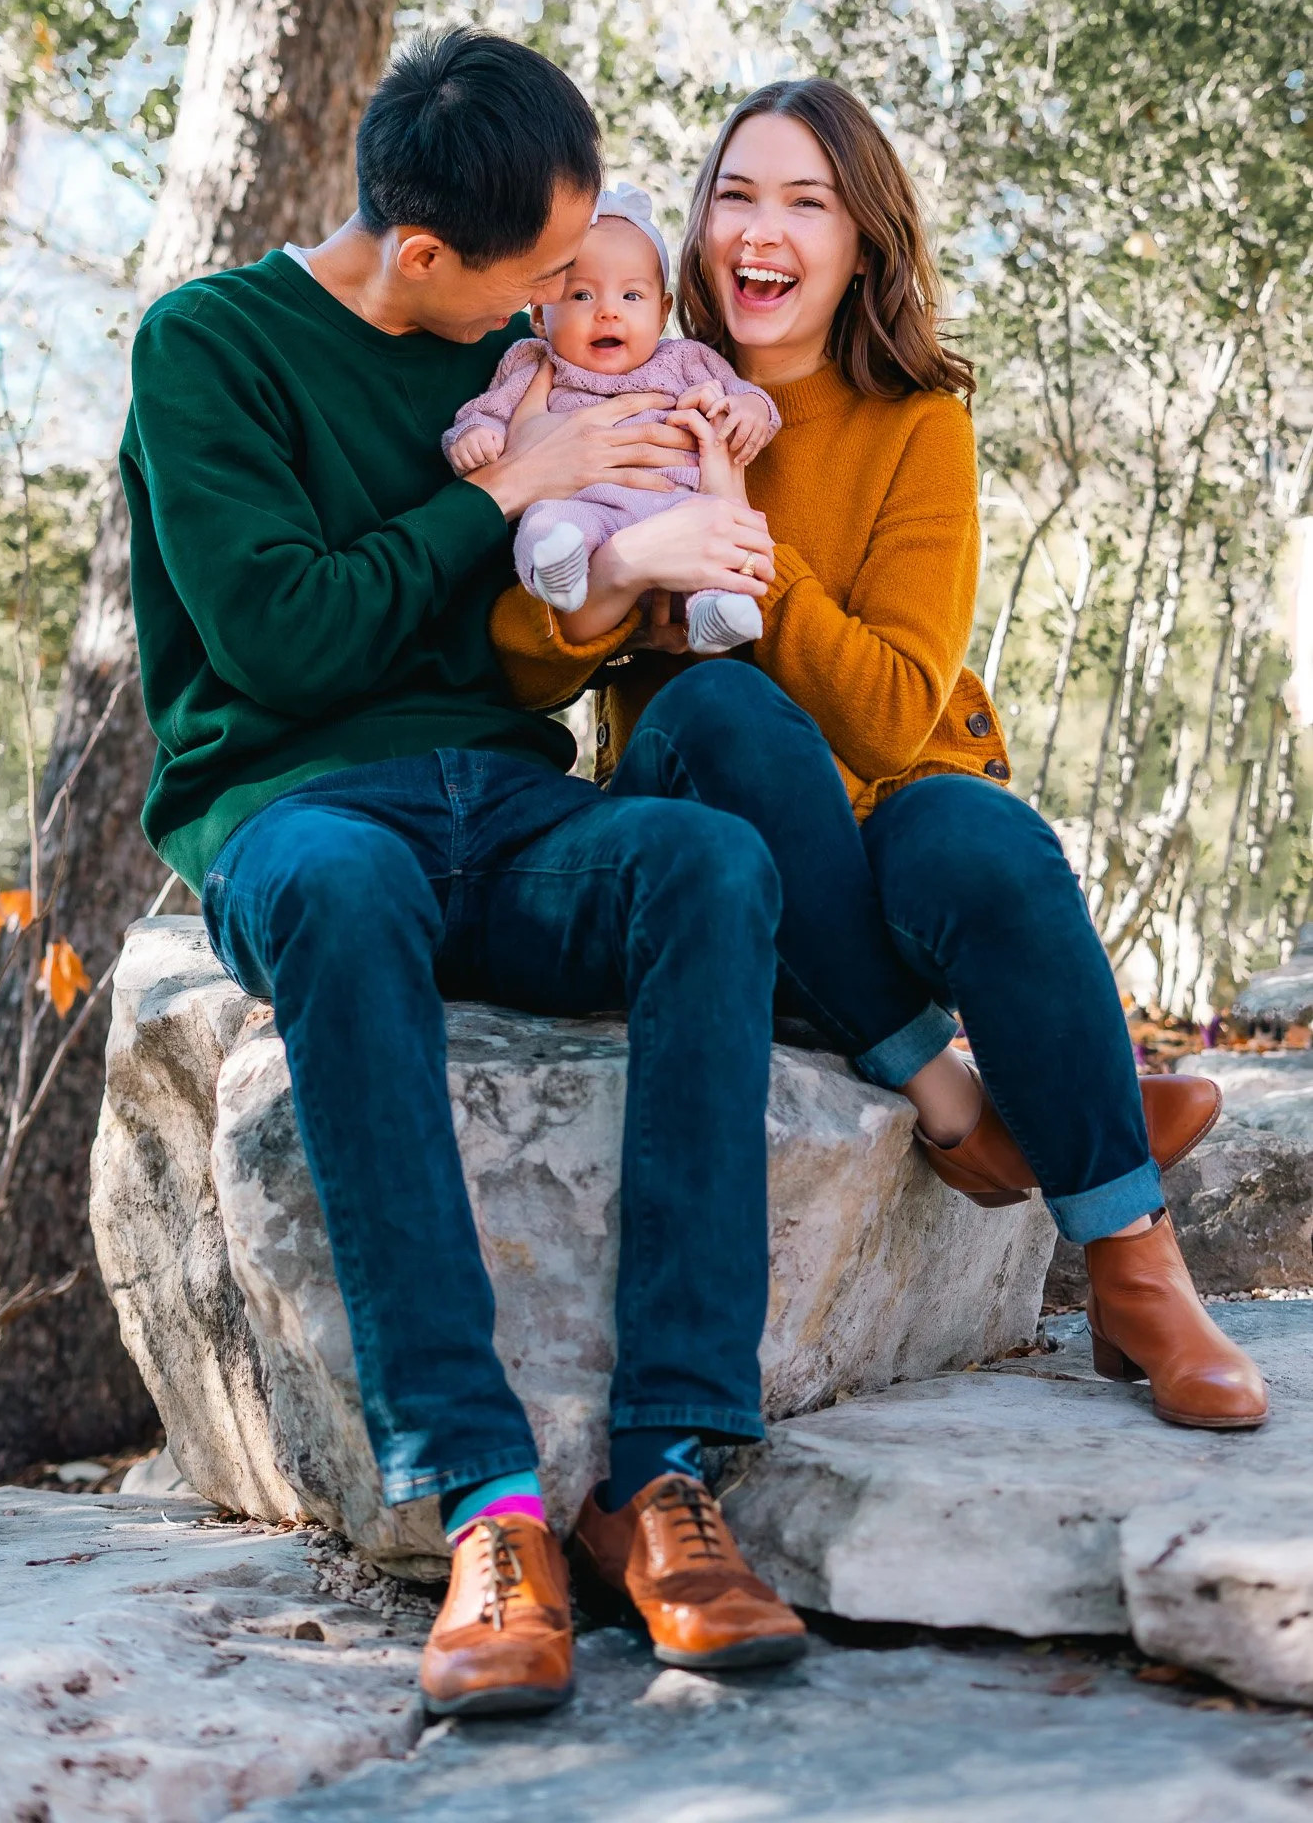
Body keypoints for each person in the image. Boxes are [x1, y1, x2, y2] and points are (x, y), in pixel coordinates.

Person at [120, 28, 806, 1722]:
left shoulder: (516, 349)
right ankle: (489, 1494)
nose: (565, 297)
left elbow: (520, 666)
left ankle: (661, 1472)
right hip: (297, 806)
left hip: (504, 806)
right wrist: (502, 491)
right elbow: (277, 639)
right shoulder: (210, 346)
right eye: (540, 268)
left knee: (706, 865)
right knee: (347, 899)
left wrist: (617, 559)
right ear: (423, 250)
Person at [492, 75, 1268, 1436]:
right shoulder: (609, 377)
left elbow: (895, 715)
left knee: (987, 839)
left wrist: (745, 552)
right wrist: (623, 558)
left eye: (806, 199)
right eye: (735, 194)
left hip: (873, 830)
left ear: (861, 242)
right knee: (724, 715)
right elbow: (523, 656)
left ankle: (1138, 1276)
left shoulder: (918, 425)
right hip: (722, 853)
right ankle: (970, 1102)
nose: (760, 229)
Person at [444, 180, 778, 652]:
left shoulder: (686, 361)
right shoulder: (533, 364)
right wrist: (474, 435)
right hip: (586, 508)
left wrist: (750, 409)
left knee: (717, 527)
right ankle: (558, 572)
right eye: (581, 296)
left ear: (663, 312)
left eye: (632, 297)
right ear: (540, 316)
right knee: (547, 520)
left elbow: (745, 394)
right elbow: (487, 414)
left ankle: (715, 610)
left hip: (676, 508)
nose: (608, 313)